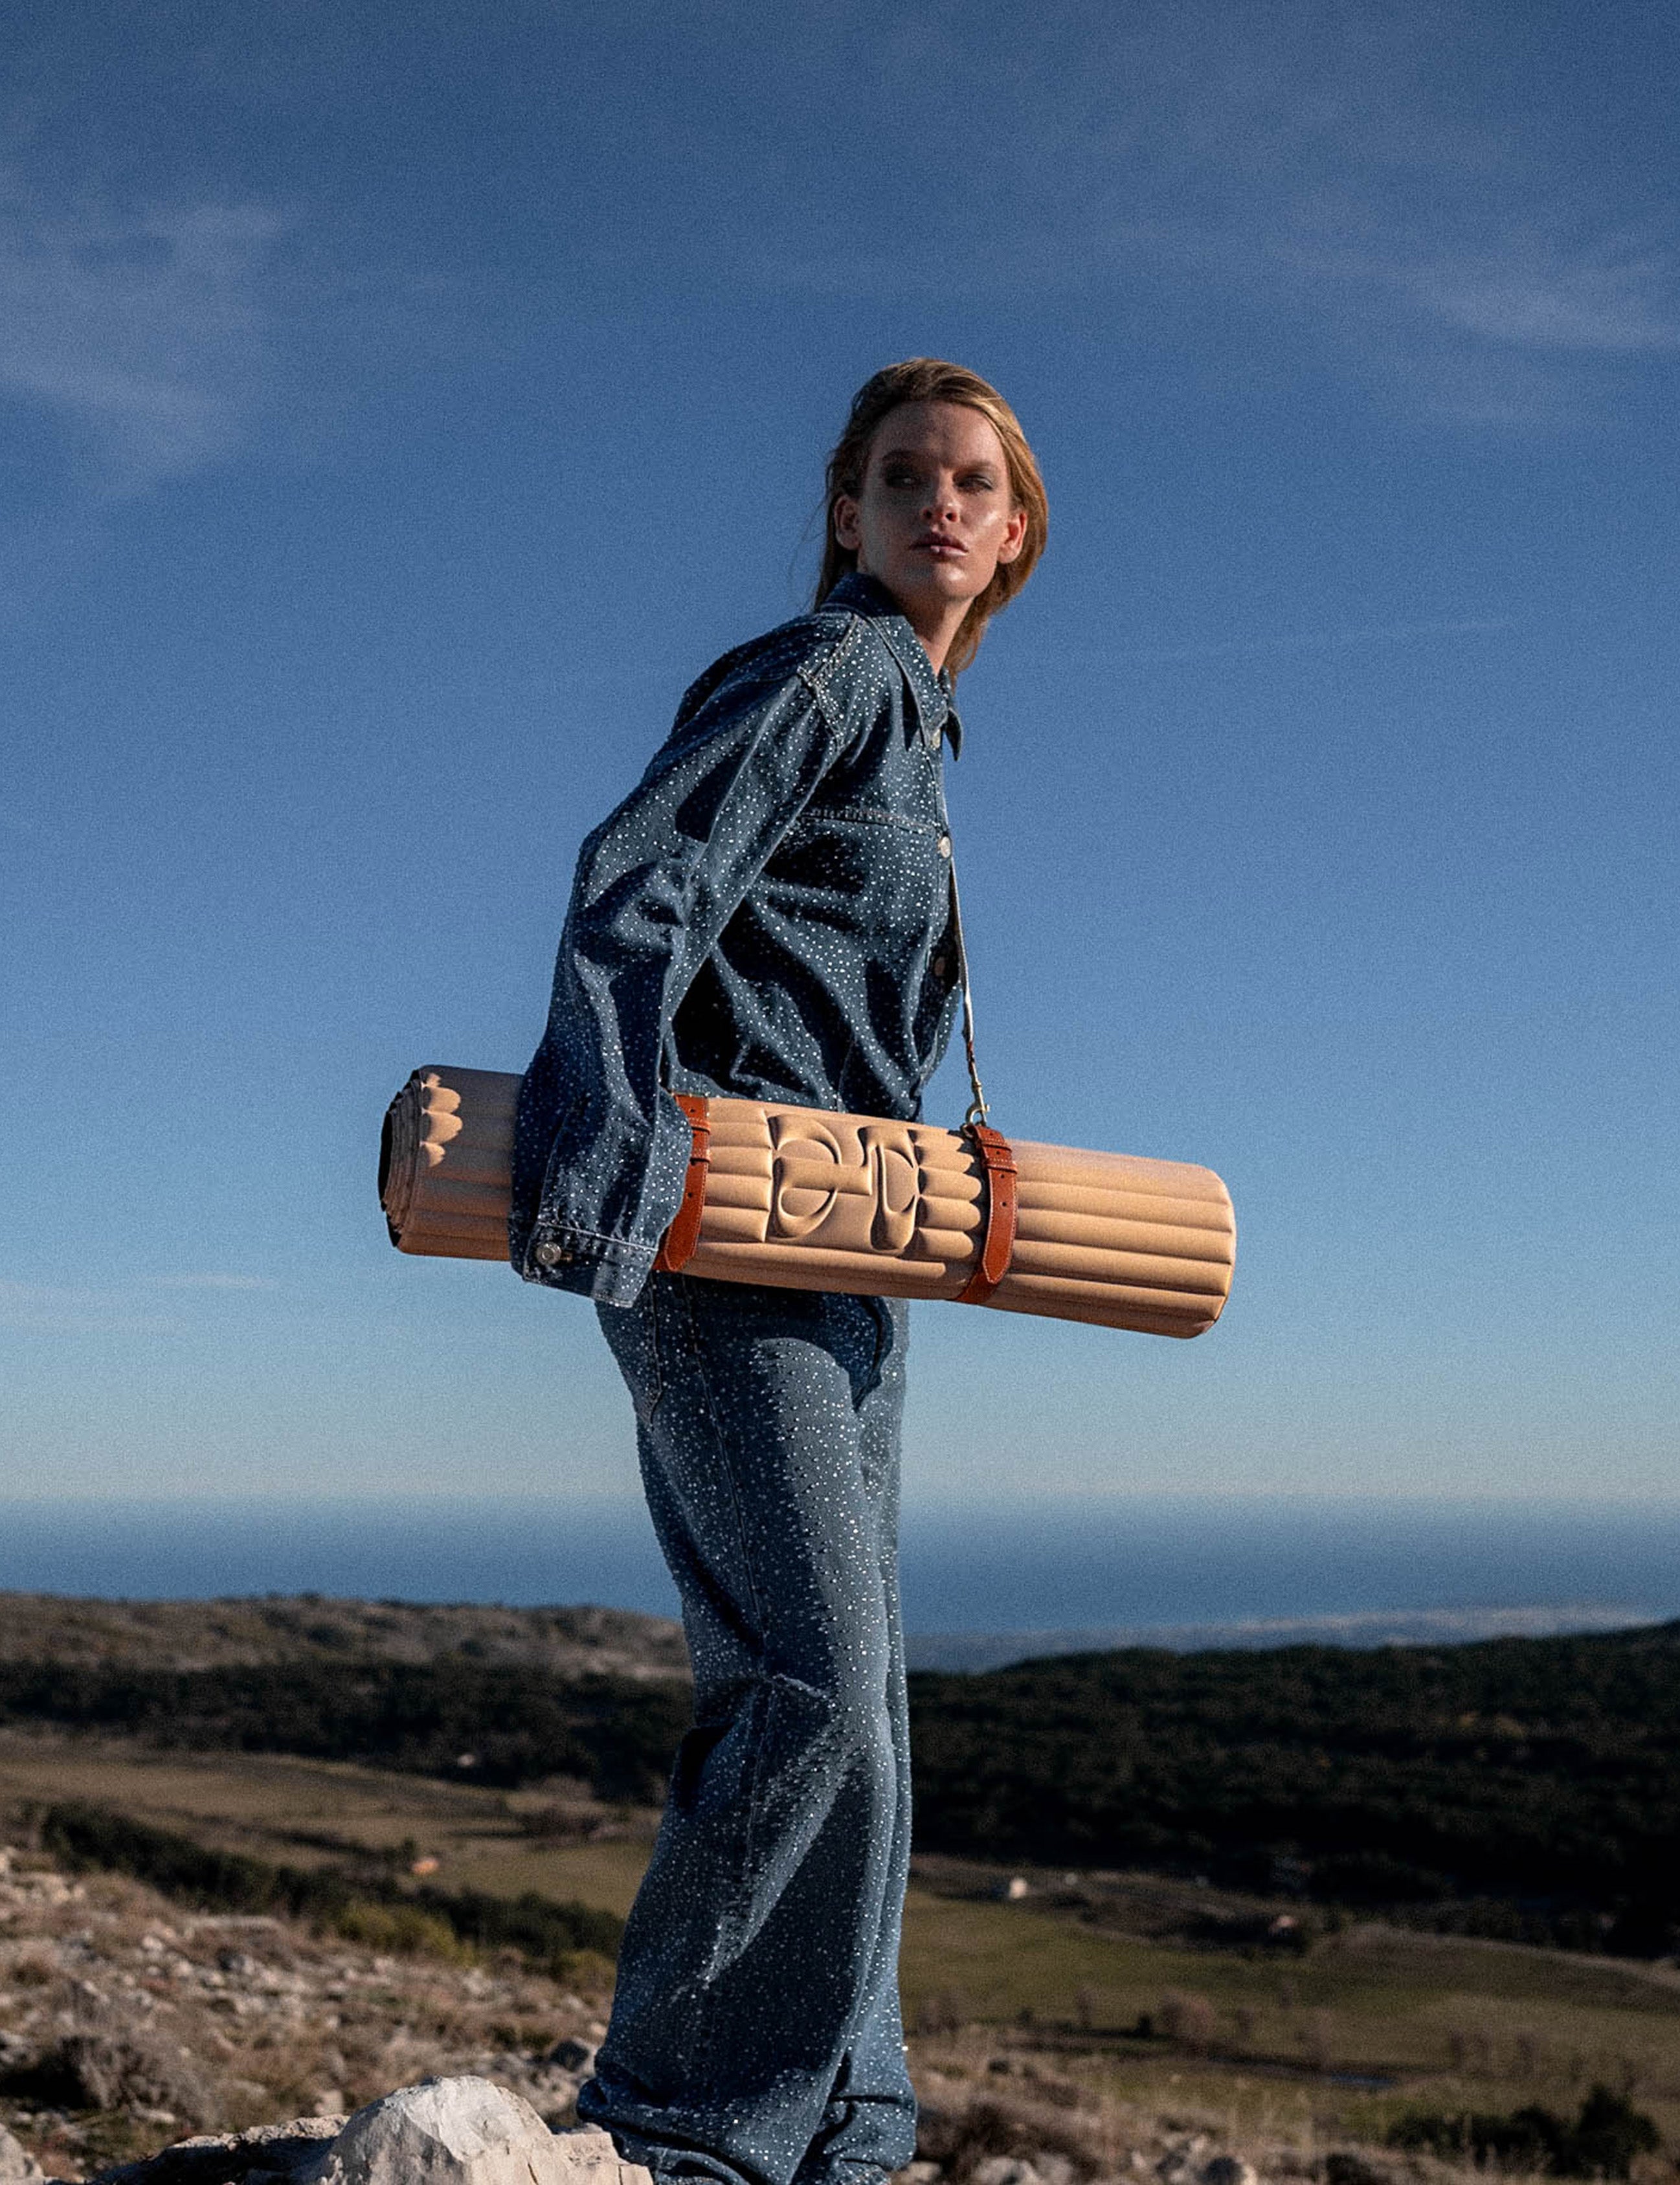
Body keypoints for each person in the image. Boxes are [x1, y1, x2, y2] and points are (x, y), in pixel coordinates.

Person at [510, 359, 1048, 2185]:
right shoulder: (833, 671)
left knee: (856, 1713)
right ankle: (687, 2124)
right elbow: (634, 879)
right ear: (846, 512)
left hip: (844, 1252)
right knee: (809, 1692)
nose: (941, 505)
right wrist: (611, 1174)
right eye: (902, 476)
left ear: (1017, 528)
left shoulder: (922, 728)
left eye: (975, 481)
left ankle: (842, 2123)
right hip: (725, 1229)